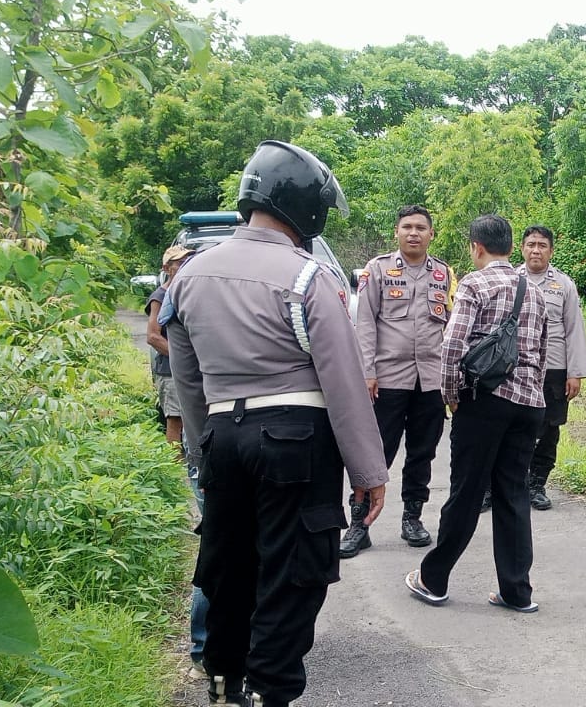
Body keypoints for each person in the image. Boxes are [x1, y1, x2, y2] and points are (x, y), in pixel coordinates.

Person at [163, 140, 388, 706]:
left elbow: (188, 380)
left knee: (228, 567)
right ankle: (270, 691)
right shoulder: (307, 277)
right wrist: (368, 471)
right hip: (295, 441)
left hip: (222, 439)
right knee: (292, 575)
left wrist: (203, 446)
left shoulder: (189, 275)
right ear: (303, 206)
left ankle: (223, 685)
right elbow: (342, 380)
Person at [404, 214, 548, 613]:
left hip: (485, 403)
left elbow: (451, 347)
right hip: (528, 405)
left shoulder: (473, 282)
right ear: (510, 245)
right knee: (513, 495)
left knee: (466, 493)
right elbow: (541, 352)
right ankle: (517, 592)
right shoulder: (534, 290)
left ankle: (433, 579)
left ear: (476, 247)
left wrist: (451, 395)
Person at [341, 205, 454, 557]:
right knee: (375, 453)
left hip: (431, 381)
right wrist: (367, 371)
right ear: (397, 232)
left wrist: (452, 379)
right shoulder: (377, 270)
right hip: (387, 379)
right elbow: (366, 323)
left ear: (431, 234)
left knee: (422, 452)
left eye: (421, 227)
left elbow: (453, 328)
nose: (414, 233)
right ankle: (359, 524)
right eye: (407, 227)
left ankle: (412, 517)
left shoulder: (445, 275)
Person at [145, 244, 210, 678]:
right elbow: (157, 337)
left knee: (222, 543)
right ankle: (204, 647)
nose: (184, 266)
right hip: (203, 426)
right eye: (179, 261)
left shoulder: (195, 294)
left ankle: (211, 647)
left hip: (216, 435)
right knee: (221, 543)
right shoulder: (169, 295)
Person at [515, 225, 586, 511]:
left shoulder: (564, 285)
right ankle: (513, 482)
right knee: (516, 426)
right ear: (522, 248)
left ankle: (537, 484)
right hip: (518, 367)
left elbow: (574, 329)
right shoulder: (512, 280)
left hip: (555, 368)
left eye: (542, 245)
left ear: (551, 250)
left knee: (549, 429)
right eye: (531, 244)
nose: (536, 250)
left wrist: (575, 373)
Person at [146, 244, 193, 446]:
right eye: (179, 263)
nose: (184, 267)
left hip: (189, 369)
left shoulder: (187, 292)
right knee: (176, 419)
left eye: (187, 262)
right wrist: (180, 358)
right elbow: (153, 336)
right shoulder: (161, 296)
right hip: (170, 371)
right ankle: (174, 471)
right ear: (166, 268)